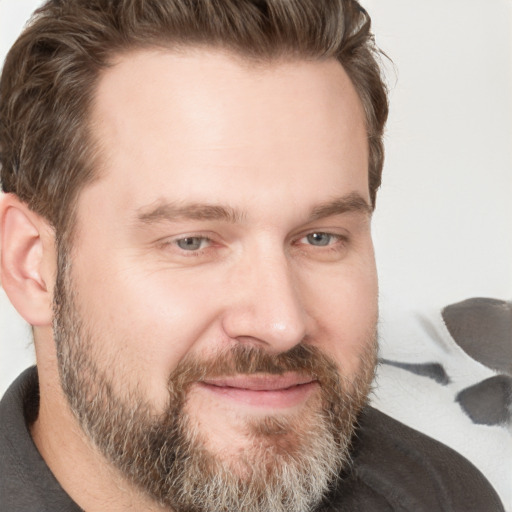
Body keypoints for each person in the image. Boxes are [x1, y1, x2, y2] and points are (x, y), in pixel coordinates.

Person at [0, 1, 504, 511]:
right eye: (192, 241)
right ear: (33, 265)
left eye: (319, 238)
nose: (281, 324)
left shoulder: (437, 496)